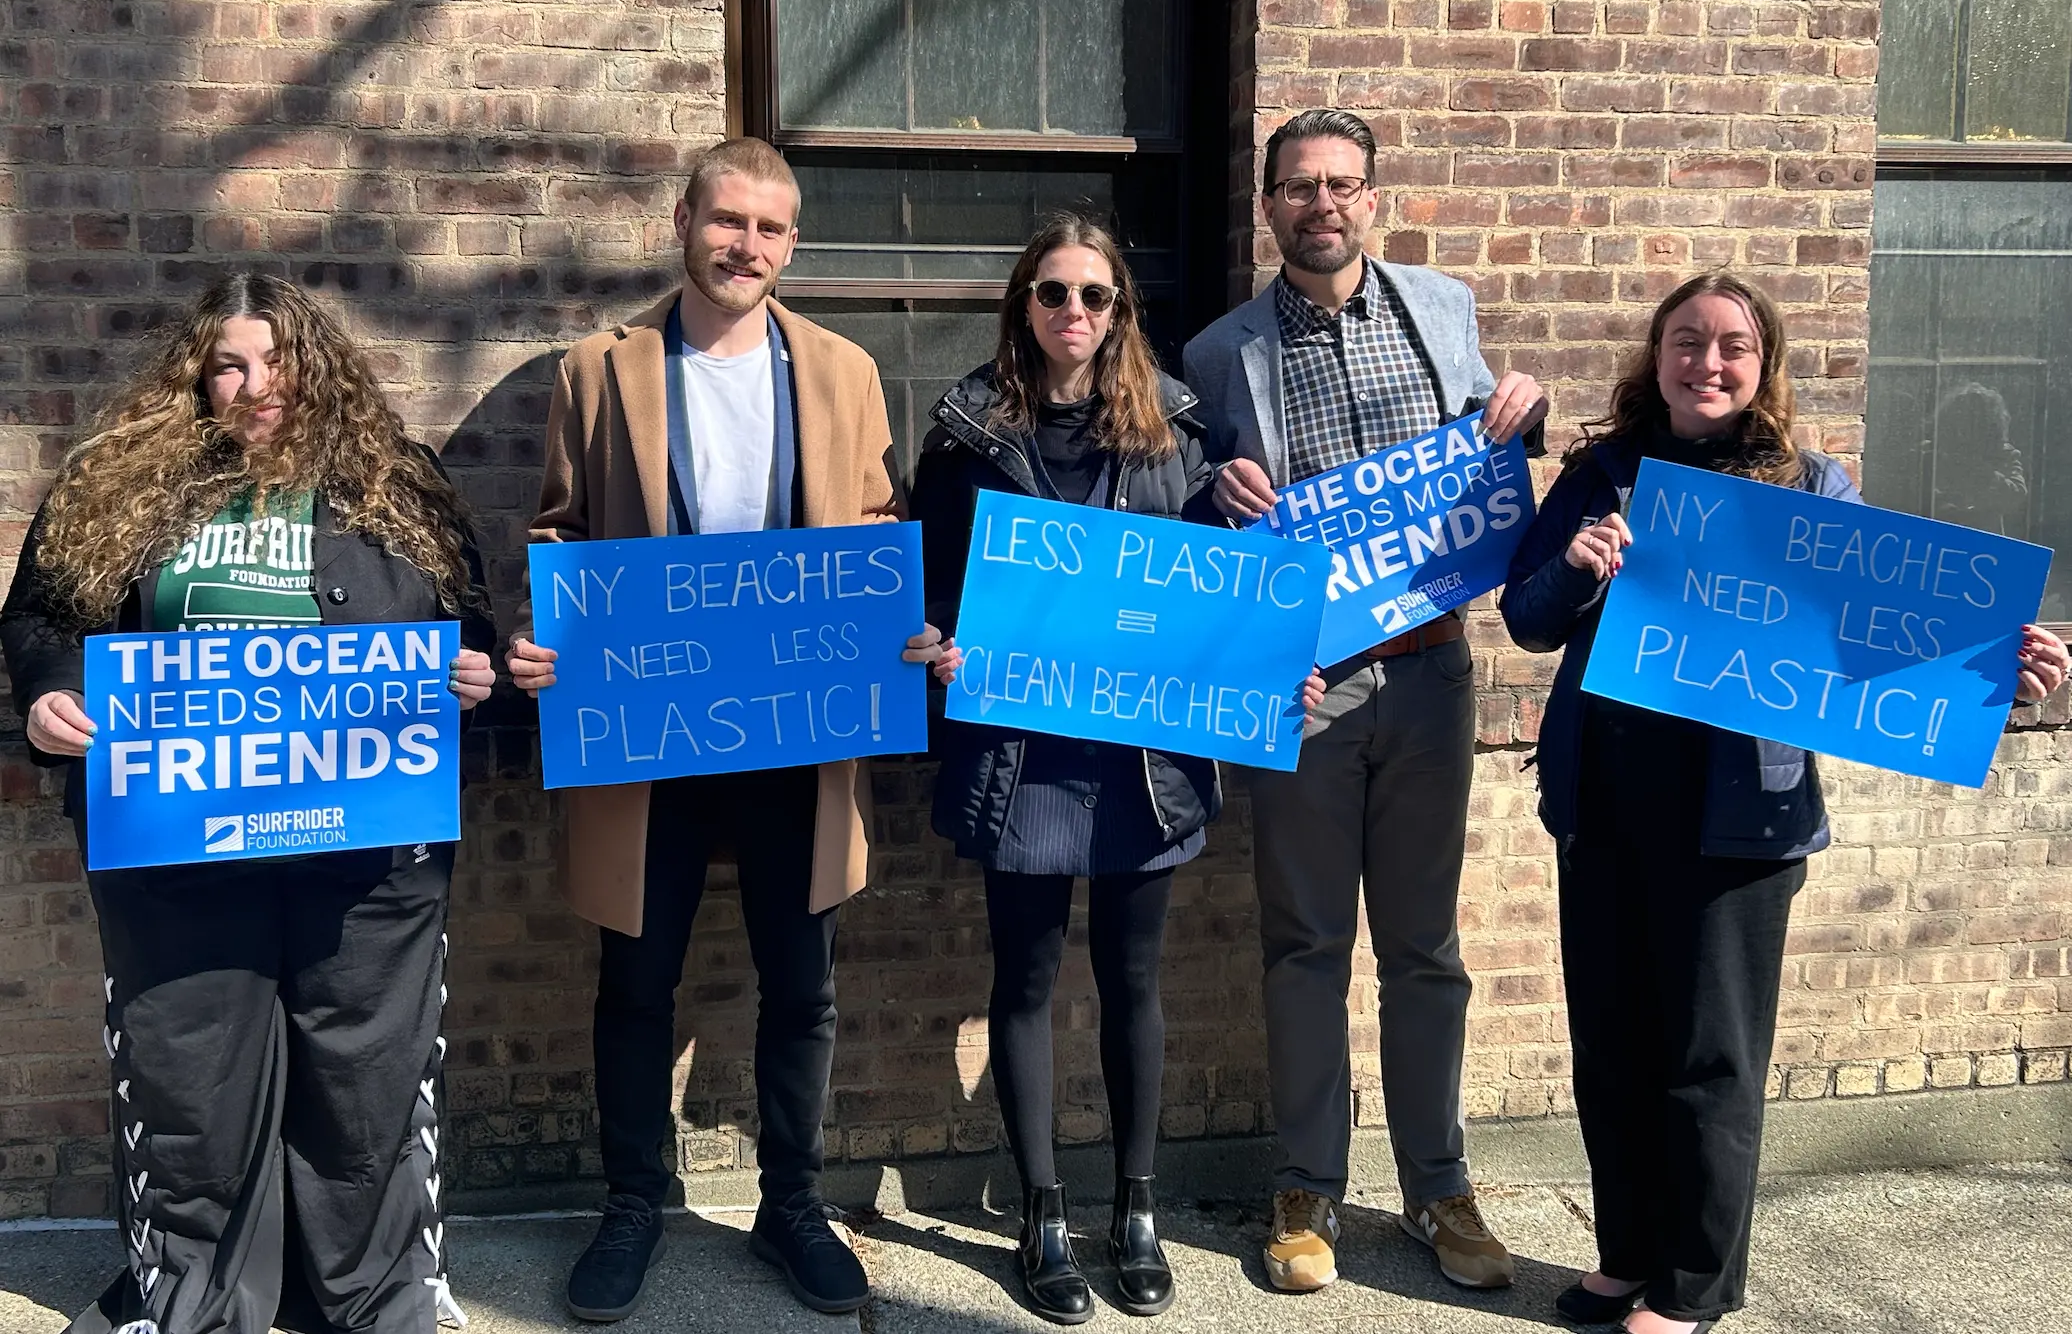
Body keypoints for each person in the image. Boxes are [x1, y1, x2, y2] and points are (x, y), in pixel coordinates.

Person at [1498, 271, 2069, 1334]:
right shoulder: (1601, 472)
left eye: (1729, 346)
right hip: (1604, 802)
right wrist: (1576, 568)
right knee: (1612, 1044)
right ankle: (1625, 1255)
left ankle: (1695, 1285)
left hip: (1737, 819)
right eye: (1683, 341)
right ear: (1653, 355)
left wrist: (2001, 664)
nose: (1703, 364)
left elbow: (1884, 630)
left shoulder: (1808, 489)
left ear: (1762, 365)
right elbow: (1526, 618)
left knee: (1707, 1055)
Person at [1, 273, 499, 1334]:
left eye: (277, 361)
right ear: (197, 374)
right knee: (188, 1079)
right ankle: (190, 1290)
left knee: (369, 1078)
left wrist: (473, 673)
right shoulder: (118, 482)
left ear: (318, 367)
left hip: (366, 853)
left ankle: (378, 1289)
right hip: (177, 844)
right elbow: (42, 613)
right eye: (230, 363)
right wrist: (49, 695)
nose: (254, 385)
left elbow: (468, 625)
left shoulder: (398, 482)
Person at [503, 137, 946, 1320]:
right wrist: (550, 637)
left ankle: (790, 1203)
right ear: (683, 222)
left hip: (797, 730)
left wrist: (895, 628)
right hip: (650, 730)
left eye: (770, 228)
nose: (746, 246)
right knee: (633, 979)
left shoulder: (845, 370)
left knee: (801, 984)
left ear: (790, 244)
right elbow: (558, 532)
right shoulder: (600, 370)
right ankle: (634, 1202)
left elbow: (874, 530)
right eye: (727, 221)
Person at [912, 216, 1322, 1323]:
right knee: (1027, 983)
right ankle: (1043, 1212)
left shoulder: (1178, 435)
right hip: (1017, 754)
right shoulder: (962, 435)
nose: (1073, 315)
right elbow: (927, 588)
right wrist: (934, 643)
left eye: (1094, 296)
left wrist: (1270, 677)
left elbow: (1221, 598)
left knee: (1134, 982)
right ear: (1021, 306)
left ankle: (1131, 1206)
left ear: (1120, 311)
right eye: (1051, 294)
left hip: (1144, 757)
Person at [1181, 108, 1548, 1295]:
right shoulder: (1216, 352)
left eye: (1341, 185)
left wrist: (1522, 411)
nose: (1320, 204)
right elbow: (1188, 506)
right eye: (1298, 187)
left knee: (1424, 949)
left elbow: (1494, 460)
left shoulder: (1439, 310)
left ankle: (1438, 1186)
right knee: (1302, 942)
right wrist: (1209, 486)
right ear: (1268, 206)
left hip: (1433, 671)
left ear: (1372, 199)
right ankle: (1306, 1186)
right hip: (1305, 687)